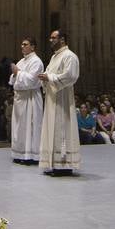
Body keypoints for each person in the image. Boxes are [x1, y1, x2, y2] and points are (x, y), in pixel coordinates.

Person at [38, 30, 80, 175]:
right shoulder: (54, 57)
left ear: (62, 39)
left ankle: (64, 165)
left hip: (63, 100)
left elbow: (71, 76)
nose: (50, 40)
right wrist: (45, 78)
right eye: (50, 37)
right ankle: (55, 164)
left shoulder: (69, 56)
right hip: (52, 99)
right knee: (52, 130)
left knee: (61, 130)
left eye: (53, 38)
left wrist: (49, 77)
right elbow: (50, 74)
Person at [9, 38, 44, 165]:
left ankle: (30, 155)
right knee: (19, 128)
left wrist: (17, 72)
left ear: (33, 47)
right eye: (21, 44)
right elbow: (12, 81)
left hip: (30, 99)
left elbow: (31, 81)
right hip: (20, 99)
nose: (22, 46)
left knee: (30, 126)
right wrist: (14, 74)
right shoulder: (21, 61)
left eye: (25, 44)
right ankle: (19, 153)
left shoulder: (36, 61)